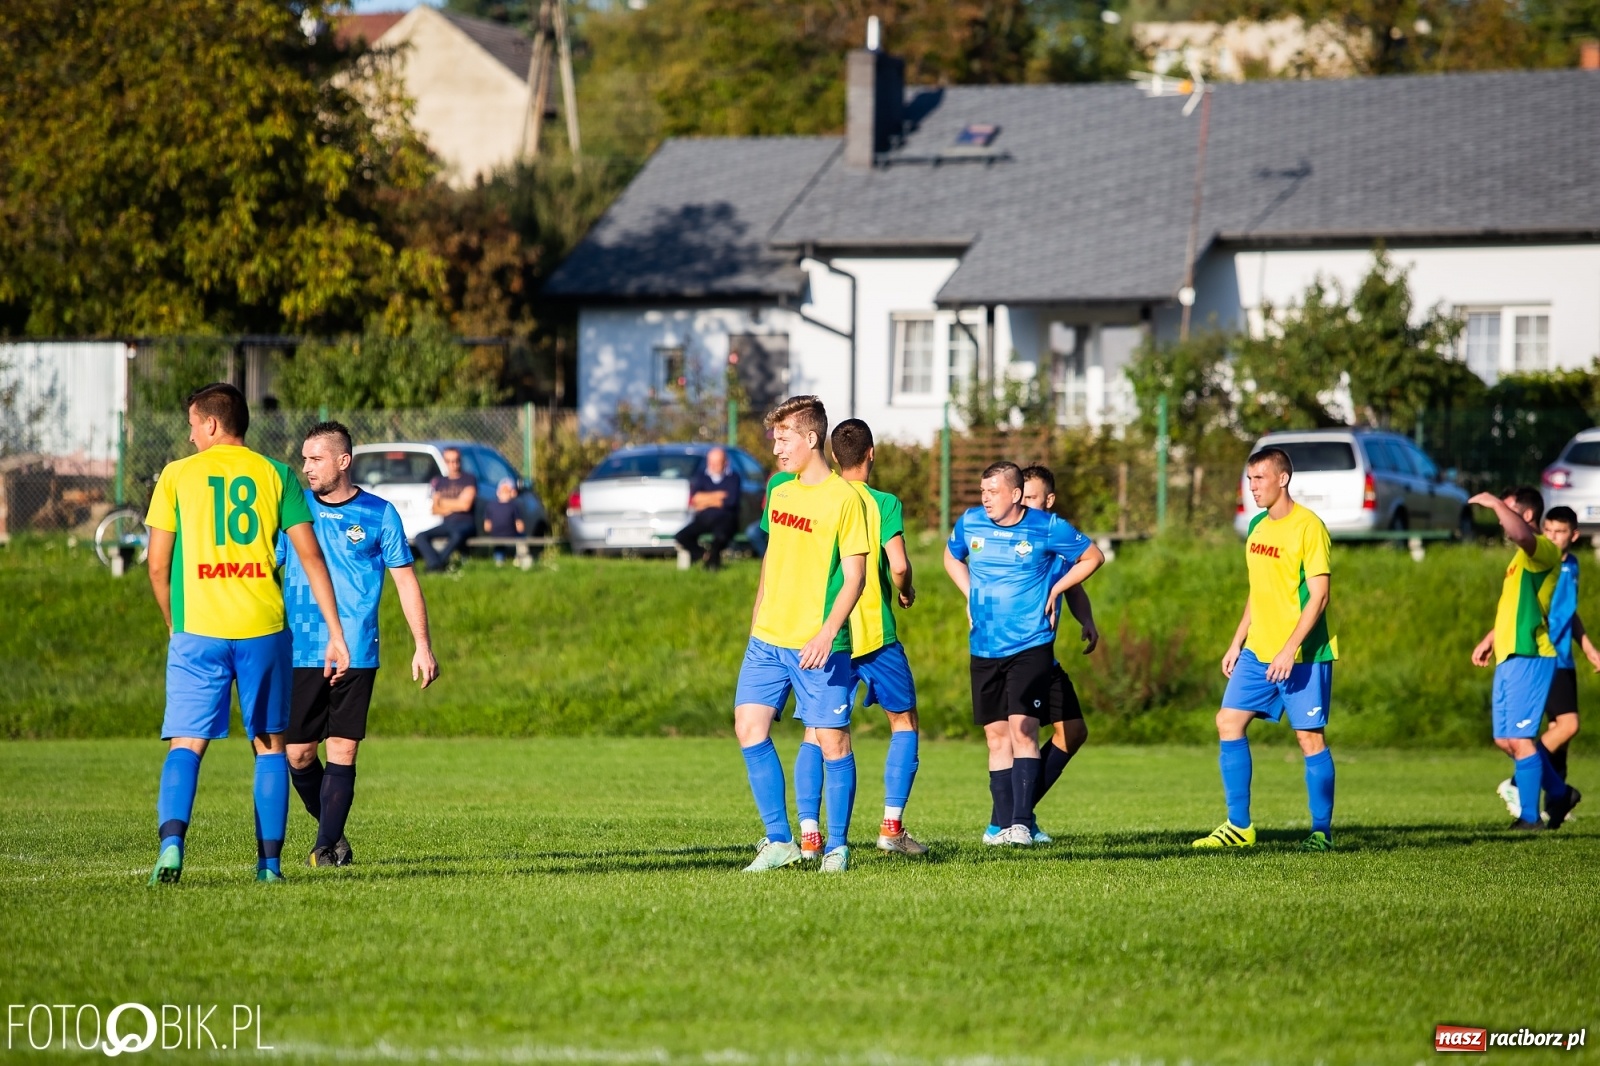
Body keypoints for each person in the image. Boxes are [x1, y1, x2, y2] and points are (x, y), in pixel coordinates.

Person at [144, 383, 351, 885]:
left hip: (199, 629)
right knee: (270, 746)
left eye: (193, 424)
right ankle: (270, 866)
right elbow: (310, 557)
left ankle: (172, 847)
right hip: (263, 629)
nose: (190, 435)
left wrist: (174, 621)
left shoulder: (176, 476)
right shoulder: (277, 474)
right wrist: (335, 631)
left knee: (186, 744)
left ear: (212, 424)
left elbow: (156, 564)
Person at [279, 422, 441, 867]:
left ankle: (324, 848)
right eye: (305, 459)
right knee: (298, 753)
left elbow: (406, 582)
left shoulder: (379, 513)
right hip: (301, 648)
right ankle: (333, 835)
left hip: (357, 648)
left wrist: (422, 645)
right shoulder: (293, 513)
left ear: (343, 461)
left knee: (344, 749)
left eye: (316, 459)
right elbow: (265, 570)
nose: (307, 468)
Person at [737, 396, 870, 873]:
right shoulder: (779, 491)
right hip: (768, 639)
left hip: (819, 644)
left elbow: (854, 576)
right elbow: (773, 558)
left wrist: (826, 631)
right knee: (748, 727)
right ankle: (780, 841)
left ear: (812, 439)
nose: (776, 448)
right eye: (775, 438)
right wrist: (757, 618)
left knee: (833, 742)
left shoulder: (845, 499)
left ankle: (836, 846)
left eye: (784, 438)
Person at [786, 419, 926, 859]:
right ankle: (891, 826)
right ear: (871, 454)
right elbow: (899, 565)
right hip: (875, 633)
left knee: (815, 731)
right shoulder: (882, 503)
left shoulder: (821, 497)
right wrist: (904, 590)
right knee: (903, 722)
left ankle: (809, 836)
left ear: (832, 455)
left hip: (827, 633)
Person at [944, 461, 1103, 847]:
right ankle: (1005, 824)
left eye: (993, 491)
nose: (985, 498)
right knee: (999, 736)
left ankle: (1018, 821)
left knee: (1027, 729)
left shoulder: (1048, 530)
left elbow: (1086, 565)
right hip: (986, 646)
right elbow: (952, 557)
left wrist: (1068, 604)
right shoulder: (971, 523)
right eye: (982, 492)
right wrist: (971, 594)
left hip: (1032, 646)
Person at [1197, 446, 1337, 852]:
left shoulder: (1309, 527)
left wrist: (1290, 648)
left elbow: (1320, 597)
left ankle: (1321, 833)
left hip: (1304, 656)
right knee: (1228, 722)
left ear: (1283, 479)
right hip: (1258, 652)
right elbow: (1259, 592)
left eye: (1260, 478)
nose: (1252, 486)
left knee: (1310, 739)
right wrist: (1237, 640)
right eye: (1250, 478)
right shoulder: (1257, 526)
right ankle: (1239, 827)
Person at [1469, 487, 1577, 831]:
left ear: (1527, 514)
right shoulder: (1519, 560)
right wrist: (1491, 638)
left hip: (1531, 654)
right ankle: (1559, 793)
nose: (1501, 517)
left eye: (1509, 509)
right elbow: (1516, 607)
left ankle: (1530, 818)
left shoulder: (1542, 548)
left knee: (1521, 739)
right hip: (1509, 653)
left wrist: (1494, 503)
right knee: (1506, 740)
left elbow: (1517, 531)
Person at [1496, 505, 1596, 824]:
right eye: (1548, 530)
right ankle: (1529, 781)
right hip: (1542, 655)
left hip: (1558, 657)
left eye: (1560, 532)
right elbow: (1525, 609)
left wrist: (1589, 648)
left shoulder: (1572, 565)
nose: (1553, 537)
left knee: (1560, 728)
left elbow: (1568, 611)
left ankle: (1550, 791)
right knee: (1561, 727)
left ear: (1574, 535)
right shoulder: (1541, 562)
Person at [1020, 465, 1099, 842]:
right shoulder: (1017, 537)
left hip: (1044, 657)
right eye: (1019, 496)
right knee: (1022, 735)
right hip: (1020, 655)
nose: (1022, 504)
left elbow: (1074, 582)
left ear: (1049, 501)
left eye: (1031, 497)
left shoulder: (1058, 536)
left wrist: (1086, 619)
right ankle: (1010, 819)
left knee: (1073, 731)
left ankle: (1018, 814)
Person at [675, 446, 741, 570]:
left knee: (720, 537)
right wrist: (718, 496)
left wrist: (704, 500)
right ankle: (705, 556)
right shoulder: (701, 477)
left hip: (725, 519)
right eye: (711, 462)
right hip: (704, 519)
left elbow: (730, 502)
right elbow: (695, 500)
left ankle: (712, 566)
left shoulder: (733, 477)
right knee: (681, 536)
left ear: (725, 462)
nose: (714, 465)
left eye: (717, 462)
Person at [414, 447, 477, 571]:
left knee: (457, 535)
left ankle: (436, 566)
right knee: (420, 537)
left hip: (465, 524)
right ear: (445, 462)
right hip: (447, 523)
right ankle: (435, 563)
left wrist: (442, 502)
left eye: (456, 460)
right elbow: (434, 509)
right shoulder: (440, 482)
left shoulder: (469, 479)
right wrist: (456, 503)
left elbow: (465, 505)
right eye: (449, 461)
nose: (453, 464)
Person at [483, 477, 525, 565]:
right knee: (522, 536)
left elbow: (487, 527)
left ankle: (499, 561)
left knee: (499, 547)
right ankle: (521, 557)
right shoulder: (514, 506)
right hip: (511, 535)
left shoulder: (490, 506)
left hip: (496, 535)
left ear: (498, 492)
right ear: (512, 493)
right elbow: (519, 526)